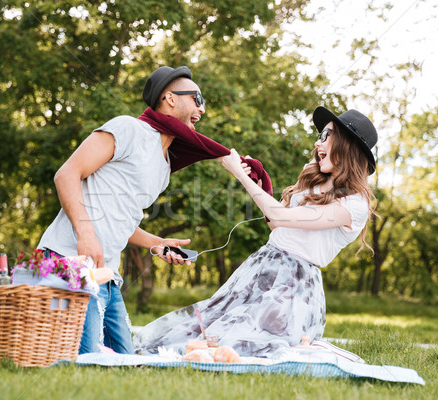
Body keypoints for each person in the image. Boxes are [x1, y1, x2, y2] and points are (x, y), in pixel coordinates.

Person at [133, 106, 378, 358]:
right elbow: (276, 223)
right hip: (262, 265)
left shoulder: (354, 204)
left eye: (326, 136)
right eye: (319, 136)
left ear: (347, 145)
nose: (318, 143)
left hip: (294, 284)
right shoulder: (313, 175)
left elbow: (282, 216)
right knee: (207, 328)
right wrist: (261, 184)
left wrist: (239, 174)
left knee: (243, 340)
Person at [38, 66, 211, 354]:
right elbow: (67, 174)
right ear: (170, 98)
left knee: (125, 362)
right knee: (87, 358)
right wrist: (85, 233)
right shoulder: (128, 128)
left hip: (107, 275)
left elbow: (122, 219)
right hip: (68, 261)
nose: (201, 109)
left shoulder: (165, 167)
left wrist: (157, 243)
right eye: (197, 98)